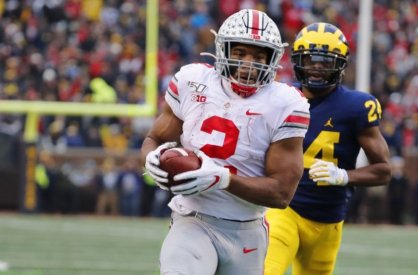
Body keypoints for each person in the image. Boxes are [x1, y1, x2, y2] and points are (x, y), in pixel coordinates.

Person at [141, 9, 310, 275]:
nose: (248, 65)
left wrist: (222, 178)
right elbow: (155, 138)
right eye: (240, 53)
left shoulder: (286, 104)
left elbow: (281, 193)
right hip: (192, 219)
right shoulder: (192, 81)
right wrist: (151, 158)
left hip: (248, 230)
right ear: (224, 50)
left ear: (273, 59)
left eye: (258, 56)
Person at [264, 22, 391, 275]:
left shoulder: (356, 106)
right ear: (298, 61)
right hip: (284, 209)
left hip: (329, 219)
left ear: (341, 64)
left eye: (326, 62)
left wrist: (344, 176)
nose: (317, 68)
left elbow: (383, 171)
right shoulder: (280, 98)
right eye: (311, 60)